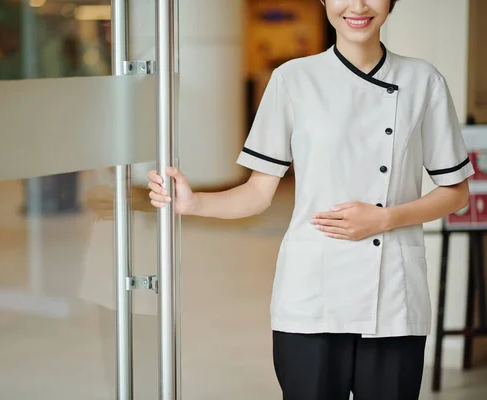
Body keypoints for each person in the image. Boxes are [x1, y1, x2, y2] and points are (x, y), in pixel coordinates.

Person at [147, 0, 474, 399]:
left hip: (393, 295)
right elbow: (257, 192)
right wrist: (194, 203)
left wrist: (385, 219)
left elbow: (456, 193)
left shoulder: (424, 80)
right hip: (311, 295)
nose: (357, 6)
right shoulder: (292, 80)